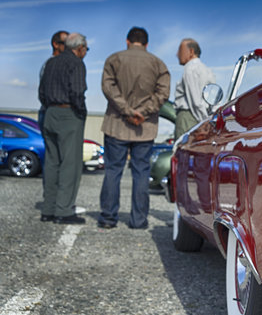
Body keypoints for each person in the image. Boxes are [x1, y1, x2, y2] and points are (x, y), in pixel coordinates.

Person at [98, 27, 170, 229]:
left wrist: (126, 110)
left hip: (117, 125)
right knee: (140, 174)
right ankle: (138, 220)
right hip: (144, 128)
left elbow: (108, 88)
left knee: (113, 171)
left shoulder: (114, 59)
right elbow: (163, 93)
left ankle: (108, 219)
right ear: (147, 44)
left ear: (127, 41)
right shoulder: (158, 63)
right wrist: (143, 112)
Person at [38, 32, 88, 224]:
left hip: (50, 112)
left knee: (52, 163)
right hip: (68, 114)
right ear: (80, 48)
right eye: (86, 49)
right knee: (70, 164)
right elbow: (77, 92)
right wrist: (81, 112)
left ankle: (48, 209)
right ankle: (64, 210)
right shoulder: (76, 63)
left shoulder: (51, 63)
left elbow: (41, 93)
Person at [174, 38, 216, 139]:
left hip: (189, 118)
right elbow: (213, 99)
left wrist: (204, 123)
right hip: (204, 115)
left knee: (183, 151)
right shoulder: (208, 70)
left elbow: (195, 102)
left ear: (191, 52)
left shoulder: (190, 69)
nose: (177, 54)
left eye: (180, 50)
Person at [38, 30, 68, 131]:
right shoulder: (49, 65)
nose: (68, 47)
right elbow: (43, 92)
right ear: (55, 44)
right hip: (49, 113)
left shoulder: (67, 64)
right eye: (65, 44)